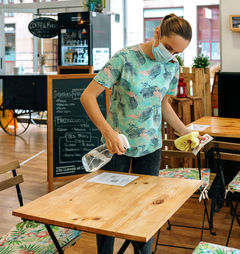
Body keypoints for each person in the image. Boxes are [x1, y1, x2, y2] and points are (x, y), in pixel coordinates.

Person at [80, 14, 196, 254]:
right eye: (168, 47)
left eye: (177, 52)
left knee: (146, 209)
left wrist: (186, 132)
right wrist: (108, 132)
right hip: (116, 147)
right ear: (156, 33)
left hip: (150, 148)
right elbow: (88, 96)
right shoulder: (125, 58)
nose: (171, 55)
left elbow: (163, 105)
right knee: (108, 207)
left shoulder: (172, 67)